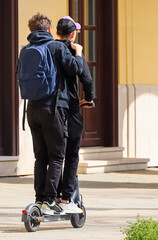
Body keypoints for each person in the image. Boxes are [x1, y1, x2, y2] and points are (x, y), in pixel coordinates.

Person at [17, 13, 84, 215]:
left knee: (40, 157)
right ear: (48, 30)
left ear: (31, 30)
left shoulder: (25, 50)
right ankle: (50, 201)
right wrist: (78, 53)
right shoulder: (55, 47)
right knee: (57, 156)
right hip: (52, 108)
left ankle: (39, 199)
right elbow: (75, 68)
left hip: (31, 109)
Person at [55, 16, 93, 213]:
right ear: (72, 34)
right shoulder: (74, 51)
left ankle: (50, 195)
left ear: (56, 32)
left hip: (49, 109)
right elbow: (86, 78)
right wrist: (89, 98)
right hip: (69, 108)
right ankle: (66, 197)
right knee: (71, 155)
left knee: (54, 156)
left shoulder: (49, 49)